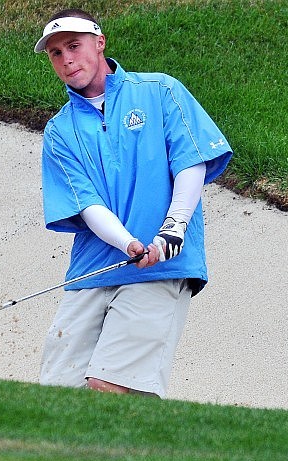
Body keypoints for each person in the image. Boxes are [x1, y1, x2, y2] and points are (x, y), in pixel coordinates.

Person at [34, 8, 232, 398]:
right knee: (57, 398)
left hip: (159, 269)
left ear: (100, 42)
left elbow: (191, 161)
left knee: (108, 388)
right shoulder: (59, 131)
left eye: (74, 46)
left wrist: (174, 226)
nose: (66, 59)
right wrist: (128, 244)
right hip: (91, 273)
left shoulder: (160, 91)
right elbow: (87, 206)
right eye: (56, 53)